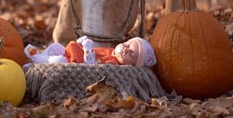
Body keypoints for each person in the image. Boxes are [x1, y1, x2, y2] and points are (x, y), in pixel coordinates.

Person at [24, 36, 156, 68]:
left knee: (58, 61)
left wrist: (87, 51)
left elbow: (92, 66)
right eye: (127, 44)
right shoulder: (111, 51)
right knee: (55, 46)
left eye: (131, 54)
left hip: (74, 61)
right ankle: (40, 57)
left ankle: (36, 60)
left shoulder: (113, 63)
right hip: (70, 52)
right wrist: (81, 41)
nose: (125, 49)